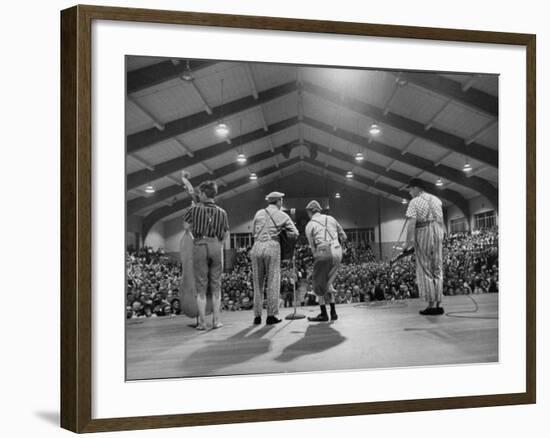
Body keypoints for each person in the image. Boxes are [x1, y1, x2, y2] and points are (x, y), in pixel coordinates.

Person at [183, 180, 229, 330]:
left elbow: (186, 227)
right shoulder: (222, 212)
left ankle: (202, 322)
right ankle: (216, 321)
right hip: (216, 245)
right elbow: (226, 233)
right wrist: (218, 244)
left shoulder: (194, 210)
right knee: (216, 285)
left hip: (200, 244)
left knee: (201, 286)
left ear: (203, 194)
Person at [250, 191, 299, 325]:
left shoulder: (258, 213)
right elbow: (295, 233)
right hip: (272, 245)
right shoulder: (282, 214)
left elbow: (253, 232)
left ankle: (257, 316)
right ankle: (271, 316)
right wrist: (282, 234)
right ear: (279, 201)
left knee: (257, 284)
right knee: (273, 281)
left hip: (257, 246)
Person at [404, 178, 446, 315]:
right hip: (438, 231)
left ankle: (431, 305)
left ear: (416, 188)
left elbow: (411, 223)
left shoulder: (414, 202)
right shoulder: (436, 199)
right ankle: (439, 303)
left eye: (410, 189)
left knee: (426, 268)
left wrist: (407, 242)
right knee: (437, 268)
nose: (410, 192)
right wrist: (442, 235)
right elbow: (441, 220)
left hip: (423, 231)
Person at [304, 200, 347, 322]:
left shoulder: (310, 225)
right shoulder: (331, 218)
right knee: (327, 281)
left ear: (310, 211)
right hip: (338, 251)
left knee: (318, 282)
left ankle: (324, 313)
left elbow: (312, 246)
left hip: (323, 251)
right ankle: (333, 312)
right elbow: (344, 236)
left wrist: (317, 257)